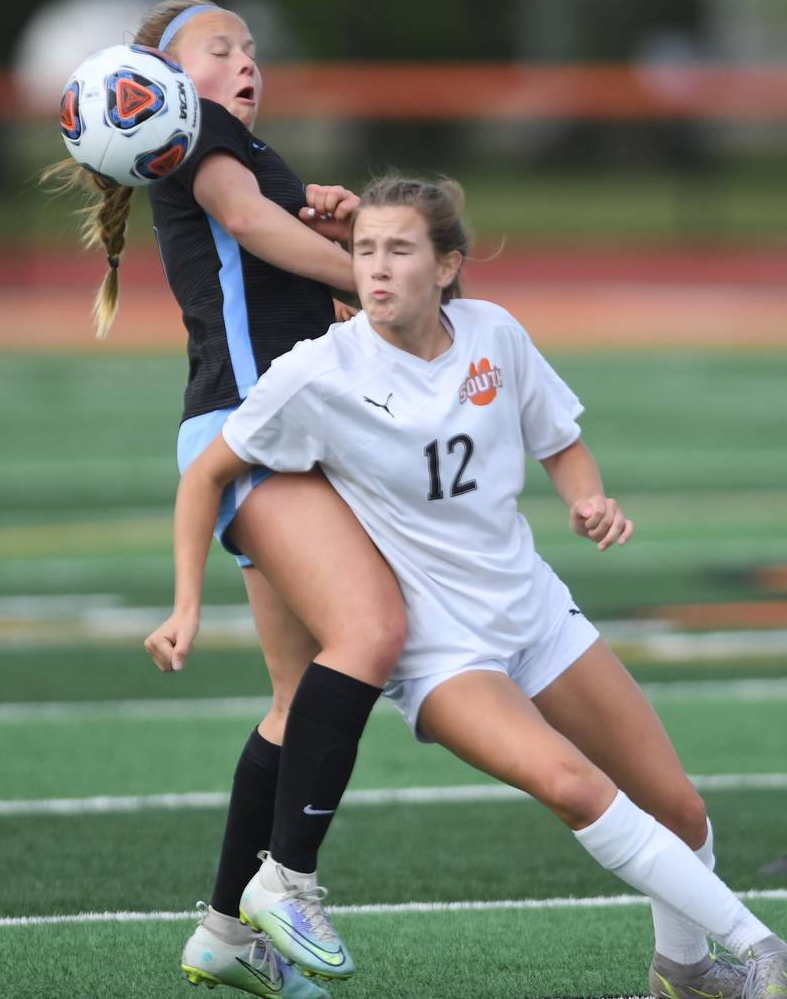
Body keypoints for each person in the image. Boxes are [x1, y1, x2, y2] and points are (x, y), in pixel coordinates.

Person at [157, 174, 787, 999]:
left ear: (447, 266)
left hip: (536, 613)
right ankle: (764, 951)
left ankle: (686, 970)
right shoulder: (321, 371)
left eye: (398, 251)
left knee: (680, 809)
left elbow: (559, 440)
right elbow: (207, 473)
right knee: (573, 786)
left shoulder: (495, 334)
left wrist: (585, 499)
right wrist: (186, 604)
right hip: (445, 650)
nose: (374, 269)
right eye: (364, 251)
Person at [45, 0, 409, 998]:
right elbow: (250, 225)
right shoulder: (196, 134)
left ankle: (224, 928)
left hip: (260, 434)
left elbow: (278, 268)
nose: (247, 61)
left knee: (300, 699)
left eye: (251, 48)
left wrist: (338, 240)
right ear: (157, 79)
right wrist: (382, 284)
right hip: (256, 438)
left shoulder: (238, 148)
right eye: (221, 48)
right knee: (370, 638)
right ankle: (286, 886)